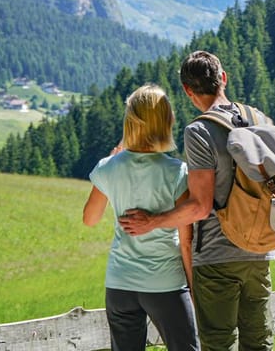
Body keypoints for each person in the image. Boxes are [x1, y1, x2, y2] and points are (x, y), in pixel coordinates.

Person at [119, 51, 275, 351]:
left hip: (218, 254)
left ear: (189, 92)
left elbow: (200, 207)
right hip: (260, 250)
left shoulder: (199, 131)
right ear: (223, 79)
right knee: (259, 344)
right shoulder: (259, 118)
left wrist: (152, 222)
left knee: (218, 343)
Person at [82, 84, 198, 351]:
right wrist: (193, 289)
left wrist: (109, 165)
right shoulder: (176, 172)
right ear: (165, 121)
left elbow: (89, 219)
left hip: (120, 282)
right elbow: (186, 241)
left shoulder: (107, 168)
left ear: (130, 121)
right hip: (165, 283)